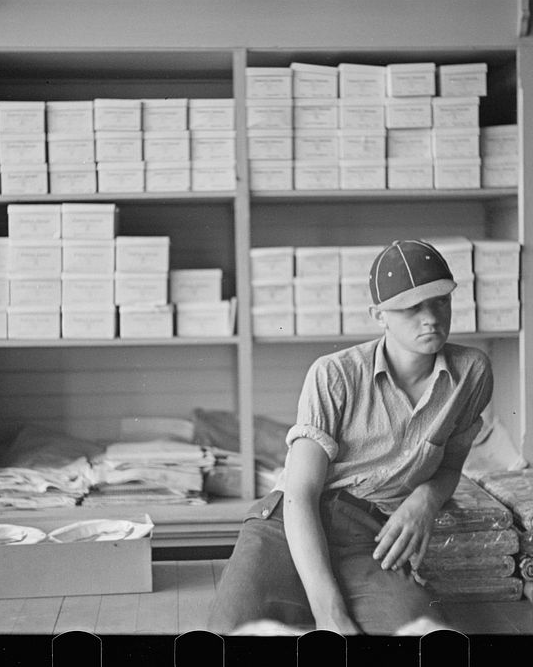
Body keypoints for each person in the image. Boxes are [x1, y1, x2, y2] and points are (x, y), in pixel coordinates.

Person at [207, 238, 494, 635]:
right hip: (288, 528)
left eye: (441, 301)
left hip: (370, 539)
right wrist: (330, 614)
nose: (431, 318)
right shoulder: (334, 374)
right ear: (379, 315)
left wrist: (425, 500)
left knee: (425, 631)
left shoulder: (471, 373)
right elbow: (300, 495)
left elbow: (449, 467)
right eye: (412, 307)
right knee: (233, 630)